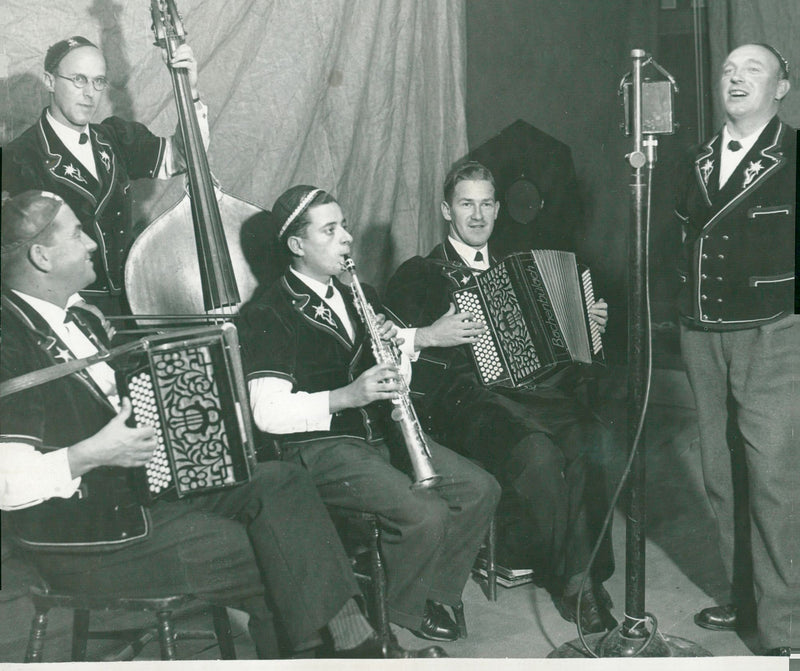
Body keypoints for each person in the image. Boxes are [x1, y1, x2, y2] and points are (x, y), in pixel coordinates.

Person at [0, 190, 444, 660]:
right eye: (77, 233)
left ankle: (346, 649)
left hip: (135, 491)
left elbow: (117, 404)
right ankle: (356, 651)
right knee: (271, 551)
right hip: (83, 532)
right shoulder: (10, 341)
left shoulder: (82, 321)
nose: (93, 243)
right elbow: (6, 481)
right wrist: (92, 452)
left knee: (282, 482)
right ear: (41, 255)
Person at [238, 185, 500, 645]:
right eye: (331, 230)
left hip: (375, 433)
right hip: (317, 447)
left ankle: (430, 595)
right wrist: (347, 395)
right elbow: (267, 413)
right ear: (297, 246)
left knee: (481, 489)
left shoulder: (363, 294)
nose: (347, 239)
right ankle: (382, 624)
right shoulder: (268, 311)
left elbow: (392, 375)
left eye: (345, 226)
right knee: (425, 514)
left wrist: (394, 346)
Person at [384, 160, 616, 633]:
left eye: (486, 203)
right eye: (466, 204)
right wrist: (429, 334)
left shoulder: (521, 267)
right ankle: (578, 584)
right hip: (464, 403)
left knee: (596, 439)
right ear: (446, 210)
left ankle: (581, 573)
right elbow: (380, 346)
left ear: (497, 209)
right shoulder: (418, 274)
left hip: (535, 393)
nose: (477, 215)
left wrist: (588, 330)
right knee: (537, 456)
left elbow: (561, 348)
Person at [675, 43, 798, 657]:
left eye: (753, 69)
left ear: (782, 87)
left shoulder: (794, 154)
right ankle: (742, 597)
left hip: (773, 334)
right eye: (726, 69)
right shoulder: (695, 159)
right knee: (721, 477)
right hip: (701, 335)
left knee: (774, 478)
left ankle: (786, 628)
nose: (736, 77)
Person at [2, 35, 210, 308]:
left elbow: (184, 156)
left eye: (98, 81)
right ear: (51, 81)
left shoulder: (114, 137)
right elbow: (14, 258)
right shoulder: (18, 157)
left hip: (133, 298)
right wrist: (75, 306)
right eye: (78, 79)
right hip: (70, 307)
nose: (90, 93)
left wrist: (189, 91)